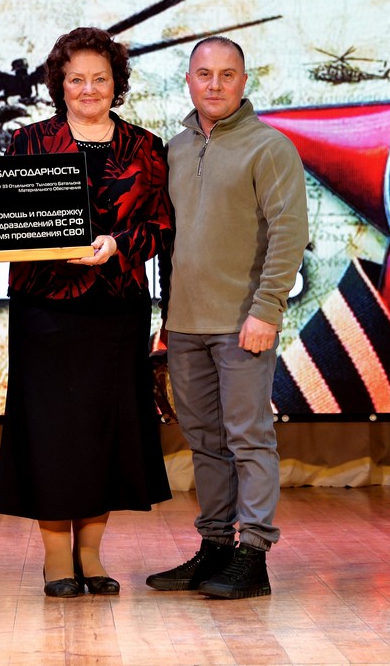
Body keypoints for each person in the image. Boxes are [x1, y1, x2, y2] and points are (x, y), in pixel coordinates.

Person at [0, 27, 172, 598]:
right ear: (59, 85)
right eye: (76, 79)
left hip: (117, 311)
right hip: (44, 312)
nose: (88, 89)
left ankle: (90, 555)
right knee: (50, 435)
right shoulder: (28, 141)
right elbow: (1, 223)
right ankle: (54, 559)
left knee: (103, 434)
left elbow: (162, 228)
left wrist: (118, 244)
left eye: (100, 78)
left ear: (117, 83)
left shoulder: (147, 148)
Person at [146, 37, 308, 599]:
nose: (214, 84)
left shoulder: (270, 147)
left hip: (243, 324)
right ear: (188, 80)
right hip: (184, 325)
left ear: (244, 80)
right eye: (204, 74)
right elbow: (169, 244)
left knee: (248, 439)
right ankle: (215, 546)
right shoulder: (174, 149)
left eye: (227, 74)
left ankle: (254, 554)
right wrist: (166, 318)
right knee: (204, 441)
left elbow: (289, 234)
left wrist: (267, 310)